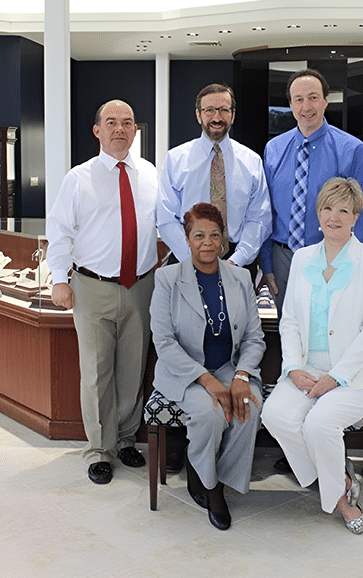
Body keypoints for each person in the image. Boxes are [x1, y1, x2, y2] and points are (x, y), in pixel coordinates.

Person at [262, 178, 363, 534]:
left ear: (355, 217)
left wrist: (336, 378)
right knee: (275, 415)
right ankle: (338, 482)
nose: (334, 217)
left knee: (320, 424)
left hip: (359, 374)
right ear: (318, 214)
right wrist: (291, 367)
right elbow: (288, 321)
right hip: (308, 368)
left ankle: (342, 502)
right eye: (327, 208)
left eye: (344, 210)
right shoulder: (303, 257)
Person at [46, 99, 158, 485]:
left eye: (127, 122)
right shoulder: (78, 178)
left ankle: (126, 439)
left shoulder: (150, 174)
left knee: (132, 370)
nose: (119, 129)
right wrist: (59, 278)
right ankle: (99, 449)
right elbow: (59, 231)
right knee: (96, 372)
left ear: (135, 130)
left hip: (141, 286)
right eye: (111, 122)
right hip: (92, 288)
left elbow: (166, 226)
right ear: (97, 131)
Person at [150, 203, 266, 530]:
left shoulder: (241, 278)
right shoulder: (168, 278)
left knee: (249, 408)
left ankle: (217, 476)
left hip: (230, 366)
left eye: (215, 235)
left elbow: (255, 338)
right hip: (186, 372)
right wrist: (207, 380)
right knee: (211, 413)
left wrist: (241, 375)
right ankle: (209, 486)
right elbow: (164, 342)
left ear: (224, 240)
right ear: (186, 238)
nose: (207, 242)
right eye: (199, 235)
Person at [260, 69, 363, 313]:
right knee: (288, 330)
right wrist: (267, 266)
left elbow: (362, 214)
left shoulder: (352, 149)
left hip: (332, 255)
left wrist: (352, 263)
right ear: (290, 104)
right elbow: (266, 212)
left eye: (312, 97)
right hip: (283, 259)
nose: (306, 106)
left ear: (325, 101)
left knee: (331, 331)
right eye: (298, 99)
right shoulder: (274, 149)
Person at [157, 83, 271, 272]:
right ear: (198, 114)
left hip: (238, 261)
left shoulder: (252, 161)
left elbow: (259, 218)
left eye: (223, 110)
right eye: (209, 110)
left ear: (232, 115)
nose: (216, 117)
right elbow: (166, 217)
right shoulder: (175, 159)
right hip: (188, 258)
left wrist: (237, 260)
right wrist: (193, 258)